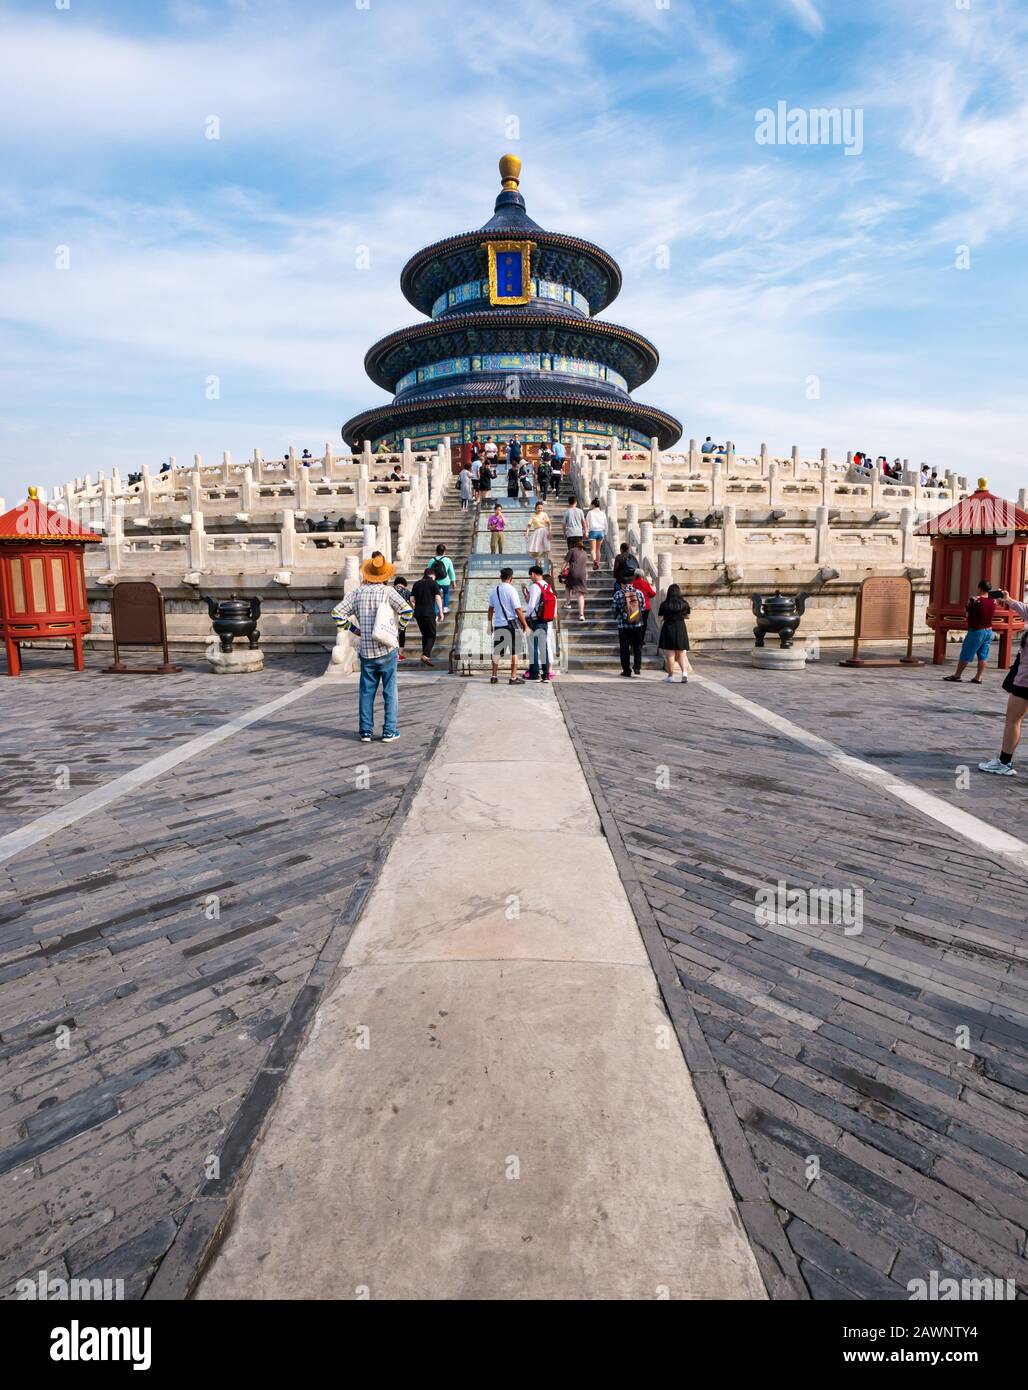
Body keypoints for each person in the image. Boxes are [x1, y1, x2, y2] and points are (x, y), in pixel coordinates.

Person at [331, 551, 412, 742]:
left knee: (366, 692)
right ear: (385, 575)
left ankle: (366, 731)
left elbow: (336, 614)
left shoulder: (357, 593)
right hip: (387, 649)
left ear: (367, 574)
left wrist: (354, 629)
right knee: (390, 690)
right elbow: (407, 611)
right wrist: (397, 630)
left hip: (366, 651)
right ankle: (389, 731)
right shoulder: (388, 592)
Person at [978, 591, 1028, 776]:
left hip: (1025, 681)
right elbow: (1024, 609)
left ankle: (1004, 762)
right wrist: (1008, 600)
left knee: (1013, 720)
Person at [944, 580, 996, 684]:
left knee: (966, 653)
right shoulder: (993, 601)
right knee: (983, 655)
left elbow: (967, 614)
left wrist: (969, 604)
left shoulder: (975, 600)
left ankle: (957, 675)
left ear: (980, 588)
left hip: (977, 631)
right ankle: (978, 677)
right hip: (989, 631)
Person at [488, 566, 528, 684]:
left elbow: (490, 609)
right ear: (511, 578)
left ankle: (494, 676)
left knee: (497, 652)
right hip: (511, 625)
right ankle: (513, 678)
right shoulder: (511, 590)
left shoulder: (493, 590)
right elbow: (518, 610)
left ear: (500, 577)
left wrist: (489, 624)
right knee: (514, 652)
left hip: (499, 625)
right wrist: (525, 624)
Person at [612, 559, 647, 676]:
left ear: (622, 582)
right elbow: (642, 607)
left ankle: (626, 670)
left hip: (623, 625)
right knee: (637, 646)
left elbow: (614, 608)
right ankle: (637, 666)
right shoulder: (639, 593)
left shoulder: (618, 594)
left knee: (624, 649)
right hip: (637, 624)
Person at [523, 565, 557, 681]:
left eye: (530, 576)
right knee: (544, 647)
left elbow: (531, 605)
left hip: (534, 620)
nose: (531, 578)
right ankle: (546, 673)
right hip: (545, 620)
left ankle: (534, 673)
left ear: (533, 573)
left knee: (533, 647)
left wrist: (525, 617)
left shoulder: (535, 586)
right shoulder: (548, 586)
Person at [410, 566, 444, 666]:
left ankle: (425, 655)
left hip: (418, 614)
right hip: (429, 613)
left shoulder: (416, 584)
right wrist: (441, 612)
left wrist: (416, 607)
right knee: (432, 635)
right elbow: (438, 598)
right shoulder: (433, 583)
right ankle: (425, 655)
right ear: (432, 576)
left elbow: (411, 599)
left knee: (425, 634)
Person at [658, 584, 691, 683]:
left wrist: (668, 617)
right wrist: (680, 616)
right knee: (681, 653)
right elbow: (688, 616)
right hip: (680, 628)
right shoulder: (684, 603)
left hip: (668, 628)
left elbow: (660, 618)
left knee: (670, 653)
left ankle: (671, 676)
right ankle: (684, 673)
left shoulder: (665, 604)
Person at [560, 538, 589, 621]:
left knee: (568, 586)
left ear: (572, 544)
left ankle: (568, 603)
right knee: (580, 594)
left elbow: (565, 562)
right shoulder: (584, 553)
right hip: (583, 574)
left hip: (573, 573)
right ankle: (581, 615)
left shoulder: (571, 551)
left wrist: (561, 571)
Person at [431, 543, 455, 616]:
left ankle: (435, 611)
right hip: (445, 581)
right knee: (446, 593)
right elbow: (451, 571)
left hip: (435, 582)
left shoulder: (432, 560)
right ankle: (445, 607)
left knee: (435, 596)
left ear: (436, 551)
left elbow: (428, 571)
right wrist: (453, 581)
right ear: (444, 552)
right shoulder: (448, 560)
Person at [393, 575, 412, 663]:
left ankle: (392, 653)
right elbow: (411, 602)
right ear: (404, 584)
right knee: (401, 634)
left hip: (391, 615)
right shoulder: (406, 591)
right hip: (402, 615)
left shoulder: (390, 590)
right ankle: (399, 654)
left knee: (391, 634)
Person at [585, 497, 606, 570]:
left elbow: (586, 523)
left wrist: (586, 532)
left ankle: (594, 562)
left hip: (593, 531)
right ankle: (598, 563)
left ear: (593, 505)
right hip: (601, 532)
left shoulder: (590, 513)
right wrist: (604, 532)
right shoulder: (602, 513)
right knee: (598, 550)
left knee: (592, 549)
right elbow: (605, 523)